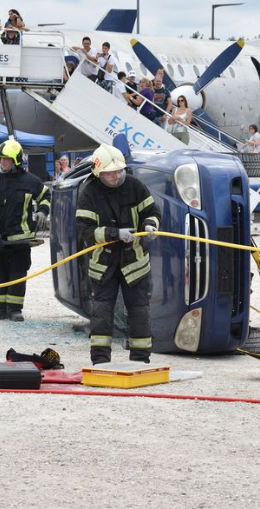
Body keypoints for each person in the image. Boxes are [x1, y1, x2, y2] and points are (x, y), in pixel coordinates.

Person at [76, 144, 161, 364]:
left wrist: (151, 225)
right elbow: (85, 230)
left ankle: (141, 359)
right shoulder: (89, 194)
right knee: (102, 313)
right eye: (110, 173)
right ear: (99, 173)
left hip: (135, 263)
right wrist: (115, 234)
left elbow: (152, 212)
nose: (116, 176)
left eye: (119, 171)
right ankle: (101, 360)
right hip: (104, 264)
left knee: (139, 311)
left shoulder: (135, 186)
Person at [0, 139, 51, 322]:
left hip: (21, 239)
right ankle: (0, 309)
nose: (2, 162)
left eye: (6, 159)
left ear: (16, 160)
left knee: (17, 273)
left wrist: (43, 211)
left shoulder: (30, 181)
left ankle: (15, 309)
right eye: (1, 159)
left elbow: (46, 195)